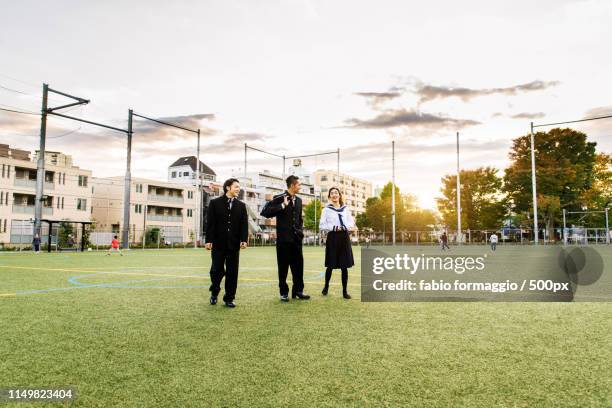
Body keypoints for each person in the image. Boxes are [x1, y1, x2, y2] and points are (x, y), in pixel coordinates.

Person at [260, 175, 310, 302]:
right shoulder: (279, 198)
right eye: (299, 185)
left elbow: (299, 218)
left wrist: (300, 232)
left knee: (298, 266)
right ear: (292, 185)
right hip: (283, 241)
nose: (300, 187)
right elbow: (265, 212)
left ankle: (298, 291)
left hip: (297, 240)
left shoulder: (298, 200)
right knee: (283, 268)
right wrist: (282, 205)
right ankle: (284, 293)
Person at [205, 178, 248, 308]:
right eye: (236, 187)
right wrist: (208, 240)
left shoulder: (241, 206)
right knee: (216, 270)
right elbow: (210, 224)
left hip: (234, 245)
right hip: (218, 244)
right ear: (228, 188)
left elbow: (243, 225)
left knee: (232, 272)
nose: (238, 189)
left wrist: (244, 240)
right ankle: (214, 291)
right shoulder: (214, 203)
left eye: (239, 187)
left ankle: (229, 298)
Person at [319, 187, 354, 299]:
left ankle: (345, 291)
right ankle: (326, 286)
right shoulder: (326, 210)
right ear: (329, 196)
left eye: (336, 193)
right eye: (332, 193)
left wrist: (345, 227)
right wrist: (334, 228)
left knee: (344, 266)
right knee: (330, 265)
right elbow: (322, 225)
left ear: (339, 195)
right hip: (333, 237)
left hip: (344, 237)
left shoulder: (345, 209)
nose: (334, 195)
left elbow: (351, 222)